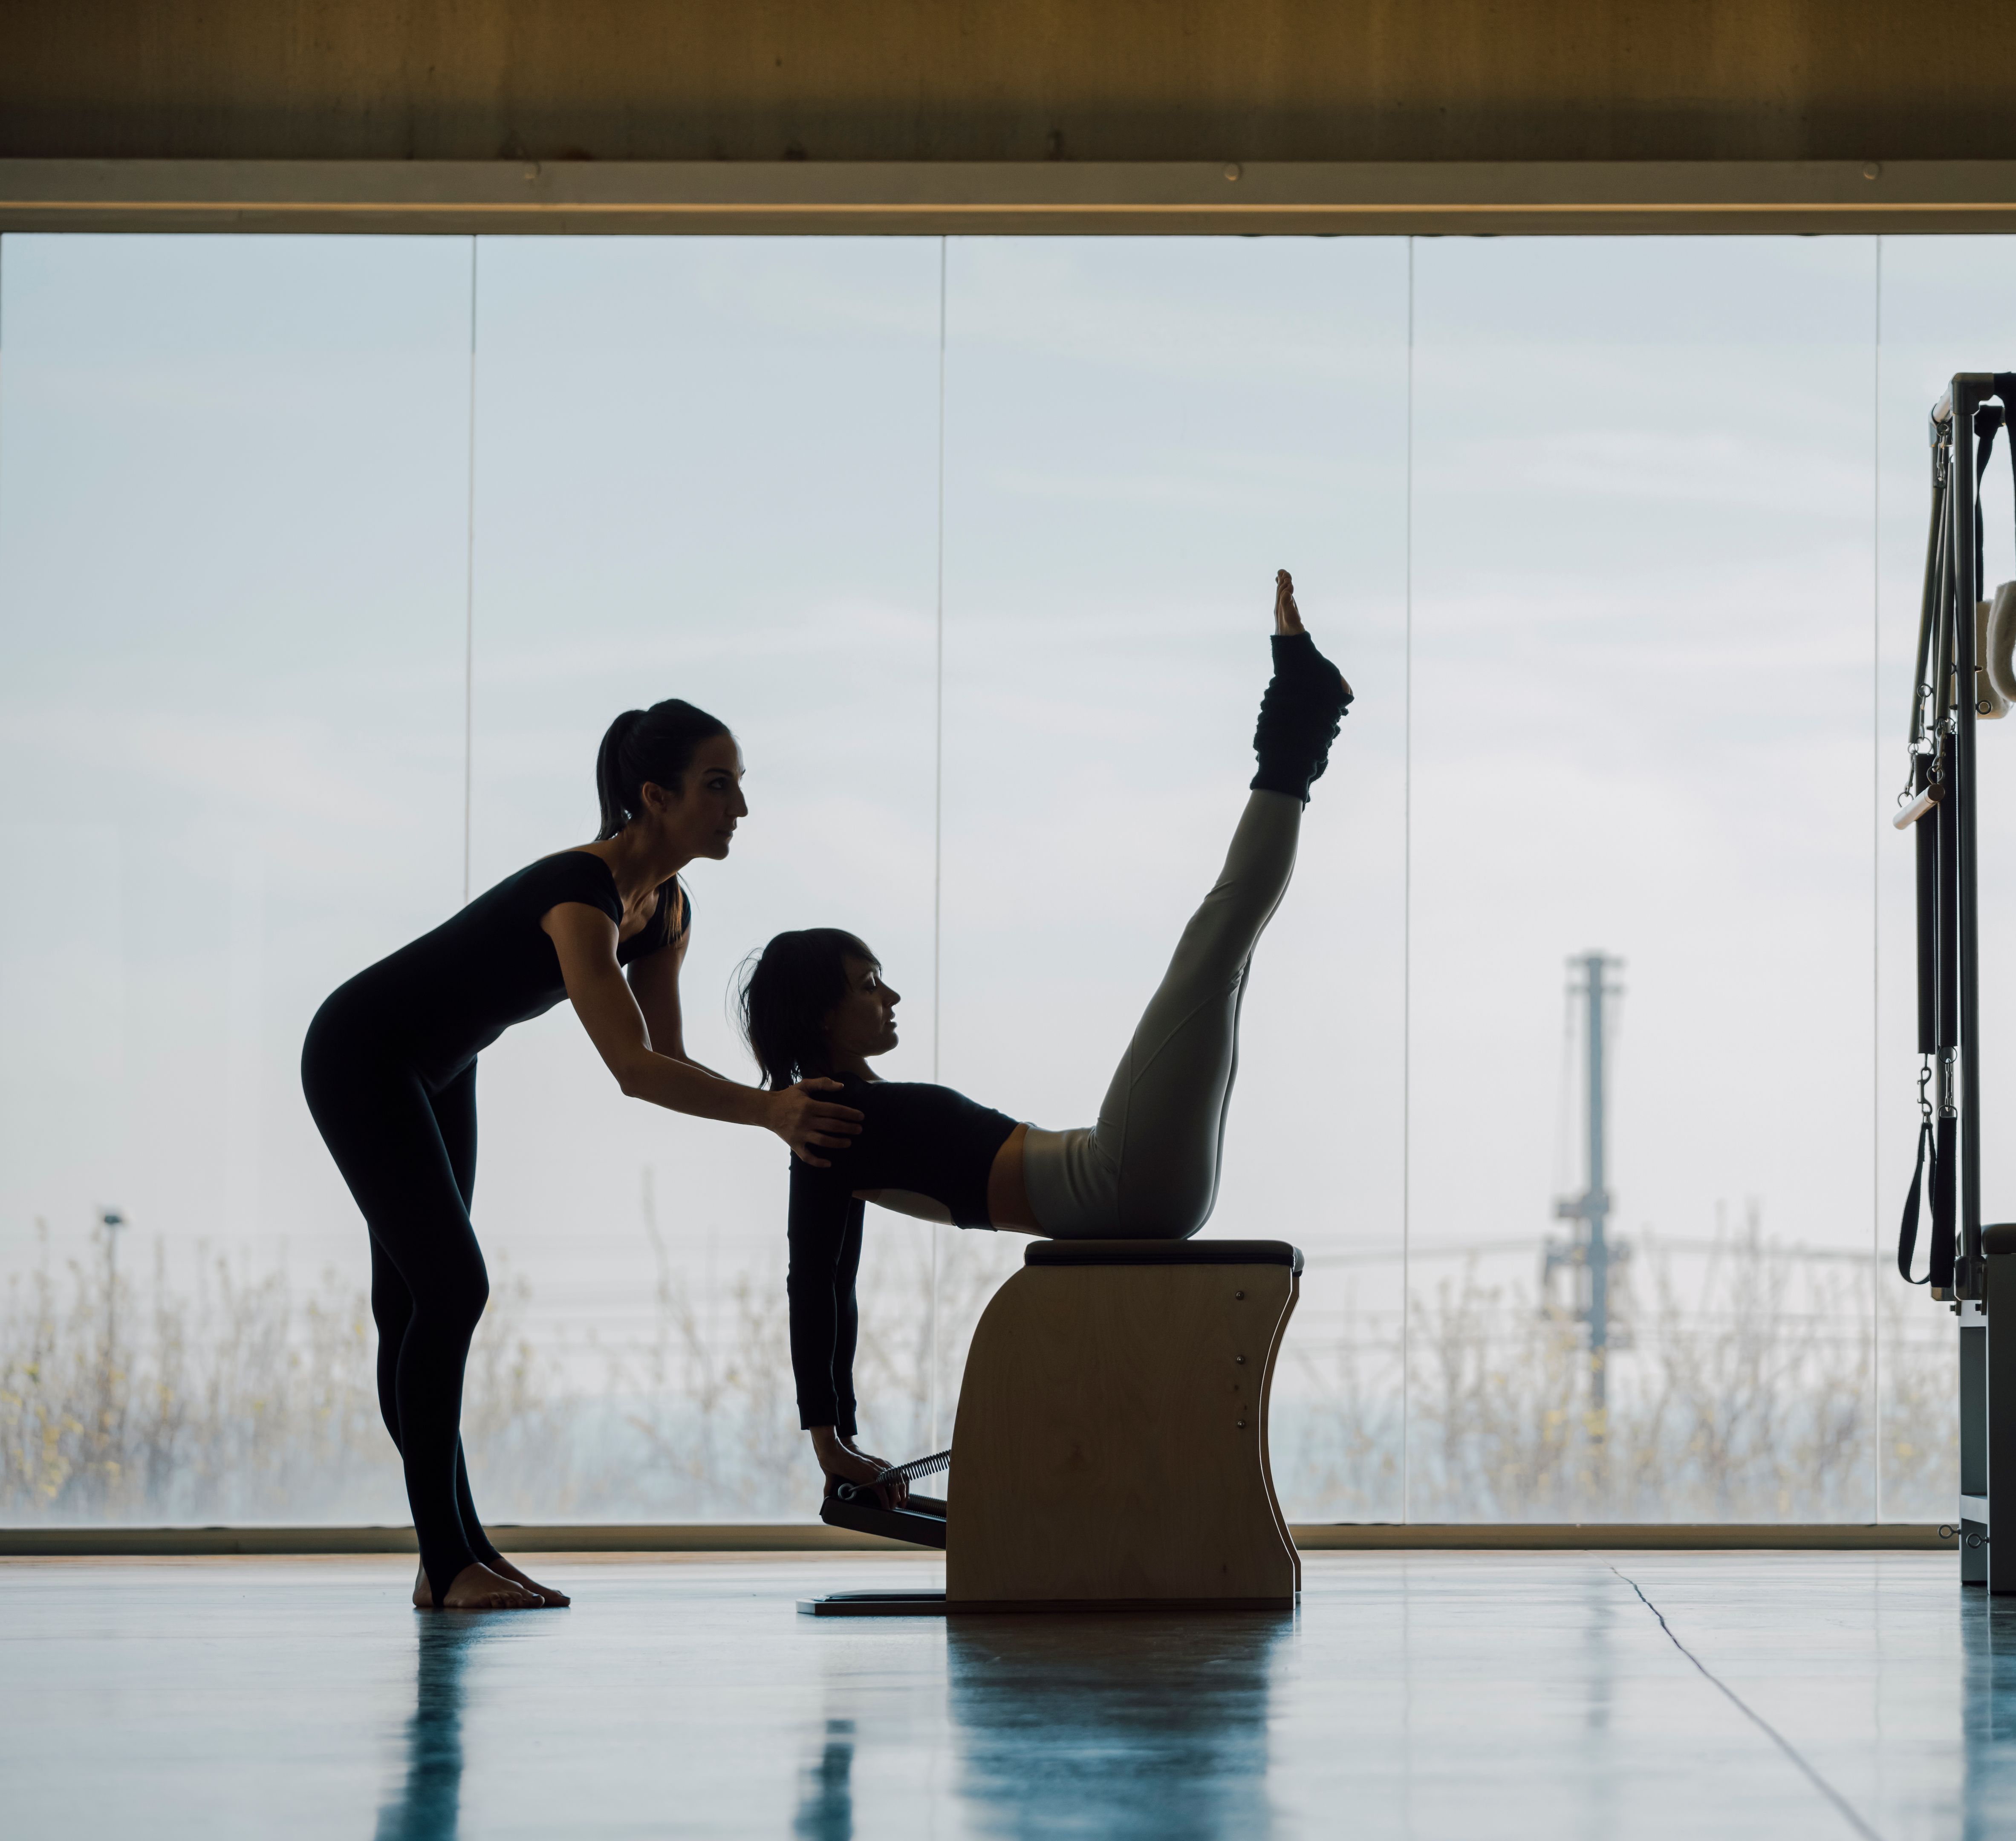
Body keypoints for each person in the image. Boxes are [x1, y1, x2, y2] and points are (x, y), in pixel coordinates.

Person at [741, 571, 1351, 1508]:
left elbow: (827, 1278)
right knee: (1217, 936)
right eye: (867, 985)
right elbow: (816, 1281)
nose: (891, 995)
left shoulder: (848, 1114)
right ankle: (1300, 717)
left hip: (1128, 1183)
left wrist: (838, 1433)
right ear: (820, 1014)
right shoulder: (827, 1123)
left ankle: (1303, 716)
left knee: (1225, 950)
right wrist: (830, 1440)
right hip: (1117, 1181)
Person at [301, 700, 865, 1609]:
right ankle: (447, 1561)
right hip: (361, 1054)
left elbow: (670, 1055)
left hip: (443, 1069)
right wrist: (769, 1113)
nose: (739, 808)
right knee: (448, 1291)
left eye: (739, 786)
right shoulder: (580, 893)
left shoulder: (667, 909)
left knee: (418, 1304)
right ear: (656, 796)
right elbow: (633, 1069)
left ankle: (458, 1554)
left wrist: (777, 1100)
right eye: (718, 785)